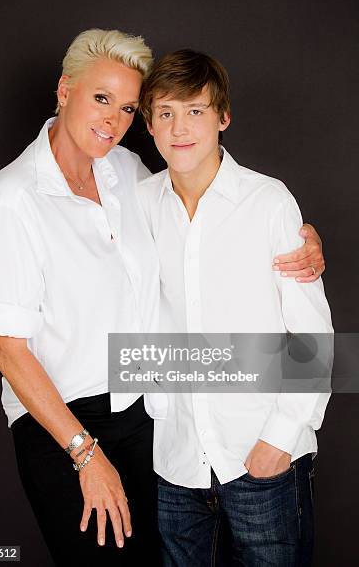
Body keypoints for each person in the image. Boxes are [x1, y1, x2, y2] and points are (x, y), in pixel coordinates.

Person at [0, 29, 324, 566]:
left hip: (181, 428)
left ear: (221, 118)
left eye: (128, 107)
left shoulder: (126, 175)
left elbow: (310, 335)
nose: (113, 120)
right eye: (101, 98)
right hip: (89, 431)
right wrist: (85, 454)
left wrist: (303, 238)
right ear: (65, 90)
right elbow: (4, 346)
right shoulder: (19, 199)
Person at [138, 49, 332, 566]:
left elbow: (315, 336)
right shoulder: (138, 205)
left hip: (261, 456)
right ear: (149, 124)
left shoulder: (268, 203)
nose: (180, 128)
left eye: (196, 111)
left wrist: (280, 439)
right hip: (175, 462)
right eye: (165, 113)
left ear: (223, 117)